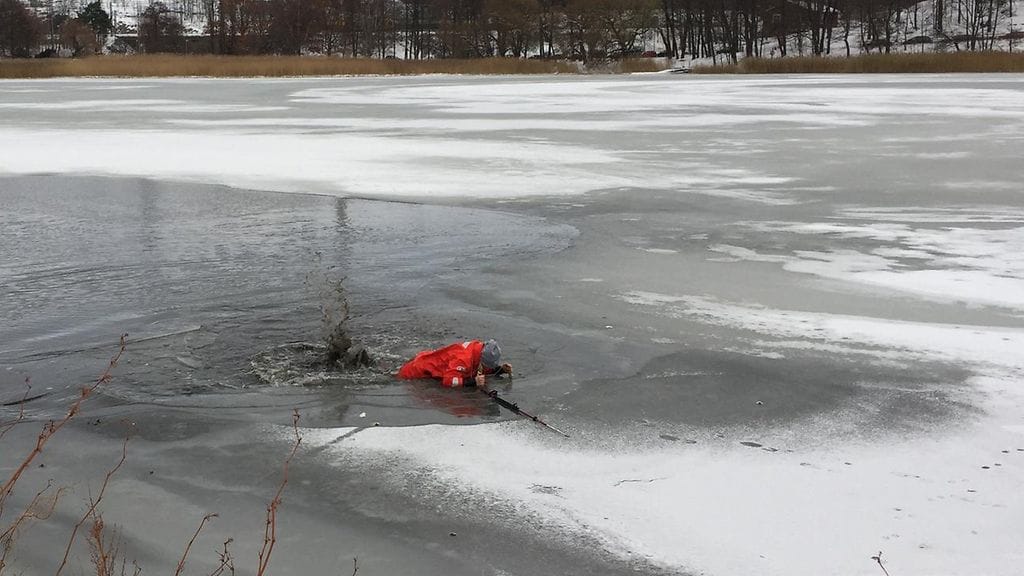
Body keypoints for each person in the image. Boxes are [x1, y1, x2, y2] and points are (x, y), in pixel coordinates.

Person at [397, 339, 512, 388]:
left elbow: (482, 367)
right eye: (488, 365)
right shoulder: (464, 359)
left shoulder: (478, 350)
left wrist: (500, 370)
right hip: (415, 373)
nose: (487, 368)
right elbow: (448, 380)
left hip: (427, 362)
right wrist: (472, 382)